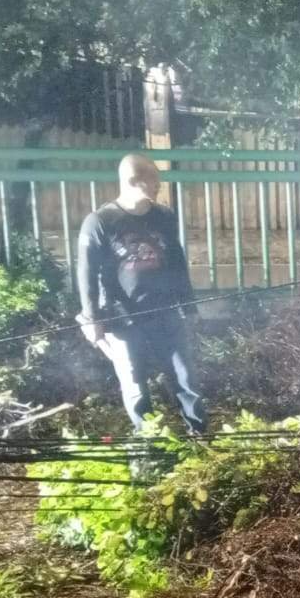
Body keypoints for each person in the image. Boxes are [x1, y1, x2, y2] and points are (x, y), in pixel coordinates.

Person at [76, 153, 206, 434]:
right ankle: (150, 445)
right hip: (122, 319)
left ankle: (200, 436)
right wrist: (92, 317)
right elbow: (86, 272)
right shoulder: (100, 221)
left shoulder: (164, 216)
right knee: (135, 384)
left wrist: (189, 305)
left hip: (166, 311)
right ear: (134, 181)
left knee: (185, 377)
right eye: (154, 180)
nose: (159, 185)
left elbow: (177, 260)